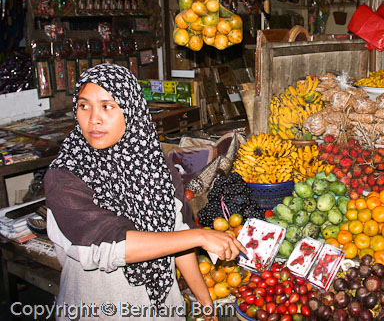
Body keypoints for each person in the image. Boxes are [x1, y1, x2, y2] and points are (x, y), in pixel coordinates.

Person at [45, 64, 246, 320]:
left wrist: (204, 301)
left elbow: (178, 234)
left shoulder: (156, 166)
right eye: (84, 106)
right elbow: (104, 247)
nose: (93, 118)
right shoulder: (65, 175)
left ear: (132, 110)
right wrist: (199, 237)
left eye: (107, 106)